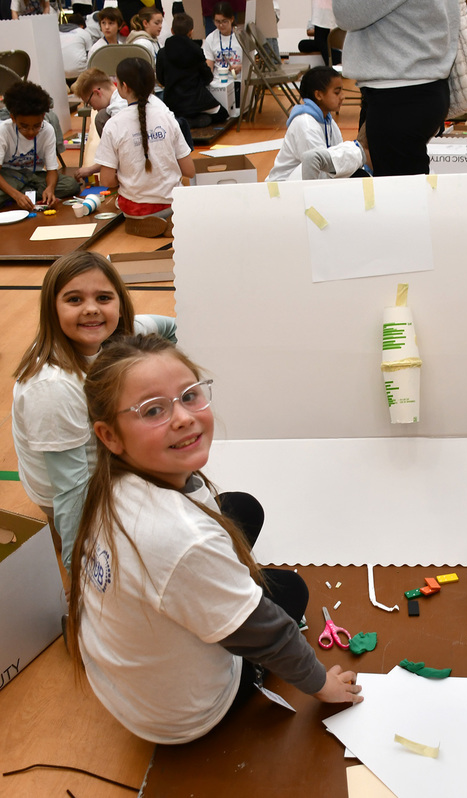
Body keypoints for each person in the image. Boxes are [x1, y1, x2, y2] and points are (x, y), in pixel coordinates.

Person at [66, 334, 363, 744]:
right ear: (110, 435)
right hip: (184, 714)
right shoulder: (181, 539)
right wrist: (321, 685)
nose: (183, 418)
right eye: (153, 410)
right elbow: (269, 634)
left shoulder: (110, 480)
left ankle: (215, 586)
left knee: (242, 508)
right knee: (291, 589)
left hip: (122, 684)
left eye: (189, 396)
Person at [11, 252, 178, 590]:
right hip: (77, 488)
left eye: (103, 298)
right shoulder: (53, 388)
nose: (91, 309)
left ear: (120, 305)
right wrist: (81, 577)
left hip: (100, 458)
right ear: (52, 309)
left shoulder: (121, 335)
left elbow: (171, 328)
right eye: (74, 300)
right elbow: (72, 492)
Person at [332, 0, 460, 176]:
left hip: (401, 92)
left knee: (399, 188)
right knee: (400, 183)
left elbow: (346, 12)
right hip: (410, 86)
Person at [96, 57, 194, 237]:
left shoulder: (113, 125)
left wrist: (129, 177)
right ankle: (171, 221)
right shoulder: (167, 117)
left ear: (124, 87)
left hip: (136, 209)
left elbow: (107, 181)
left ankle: (139, 224)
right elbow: (190, 170)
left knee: (121, 199)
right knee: (182, 188)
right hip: (173, 203)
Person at [268, 66, 366, 181]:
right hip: (283, 187)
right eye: (337, 92)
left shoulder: (328, 121)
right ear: (318, 95)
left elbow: (338, 157)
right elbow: (317, 169)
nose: (342, 96)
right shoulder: (305, 125)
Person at [0, 81, 79, 210]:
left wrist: (50, 189)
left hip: (34, 176)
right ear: (13, 118)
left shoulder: (47, 130)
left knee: (71, 185)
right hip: (9, 176)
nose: (31, 132)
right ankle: (23, 195)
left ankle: (25, 194)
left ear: (43, 116)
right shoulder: (3, 131)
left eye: (36, 126)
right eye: (24, 126)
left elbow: (52, 170)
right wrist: (16, 195)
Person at [157, 12, 228, 128]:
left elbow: (160, 79)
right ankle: (195, 121)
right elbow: (207, 76)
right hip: (196, 100)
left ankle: (183, 121)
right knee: (222, 114)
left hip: (172, 101)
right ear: (191, 31)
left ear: (172, 30)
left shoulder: (162, 52)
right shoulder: (196, 50)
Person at [202, 2, 243, 106]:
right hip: (217, 83)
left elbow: (253, 63)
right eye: (217, 22)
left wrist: (240, 67)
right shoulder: (211, 38)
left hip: (237, 80)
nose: (221, 25)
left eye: (224, 21)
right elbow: (209, 66)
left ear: (232, 19)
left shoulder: (242, 36)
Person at [59, 14, 94, 82]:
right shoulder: (84, 32)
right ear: (81, 26)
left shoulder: (56, 32)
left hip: (59, 74)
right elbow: (90, 55)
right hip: (80, 74)